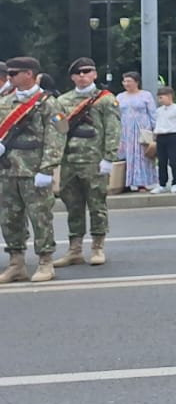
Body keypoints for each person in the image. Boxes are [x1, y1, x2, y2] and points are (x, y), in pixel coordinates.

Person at [48, 58, 121, 267]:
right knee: (73, 206)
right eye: (78, 73)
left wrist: (109, 157)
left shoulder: (105, 100)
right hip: (69, 161)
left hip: (94, 161)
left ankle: (97, 247)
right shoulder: (62, 101)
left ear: (95, 74)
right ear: (72, 77)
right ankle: (75, 249)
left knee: (97, 205)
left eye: (87, 71)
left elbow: (113, 130)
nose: (82, 76)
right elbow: (58, 131)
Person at [0, 57, 62, 282]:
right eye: (9, 74)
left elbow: (56, 137)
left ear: (29, 74)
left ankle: (46, 261)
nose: (10, 77)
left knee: (40, 217)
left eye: (14, 73)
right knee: (9, 218)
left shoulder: (49, 103)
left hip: (34, 171)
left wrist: (47, 169)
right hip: (7, 170)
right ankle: (16, 263)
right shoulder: (5, 102)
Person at [117, 71, 158, 194]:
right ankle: (125, 183)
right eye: (124, 81)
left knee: (141, 156)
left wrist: (155, 130)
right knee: (125, 155)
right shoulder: (120, 97)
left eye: (129, 81)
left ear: (136, 82)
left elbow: (152, 113)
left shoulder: (146, 95)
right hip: (125, 130)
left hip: (142, 129)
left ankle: (142, 183)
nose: (126, 84)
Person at [153, 85, 176, 191]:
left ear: (169, 96)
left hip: (172, 136)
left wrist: (173, 129)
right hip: (160, 137)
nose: (160, 100)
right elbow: (157, 123)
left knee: (173, 160)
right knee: (161, 161)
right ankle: (162, 183)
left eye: (161, 97)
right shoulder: (159, 111)